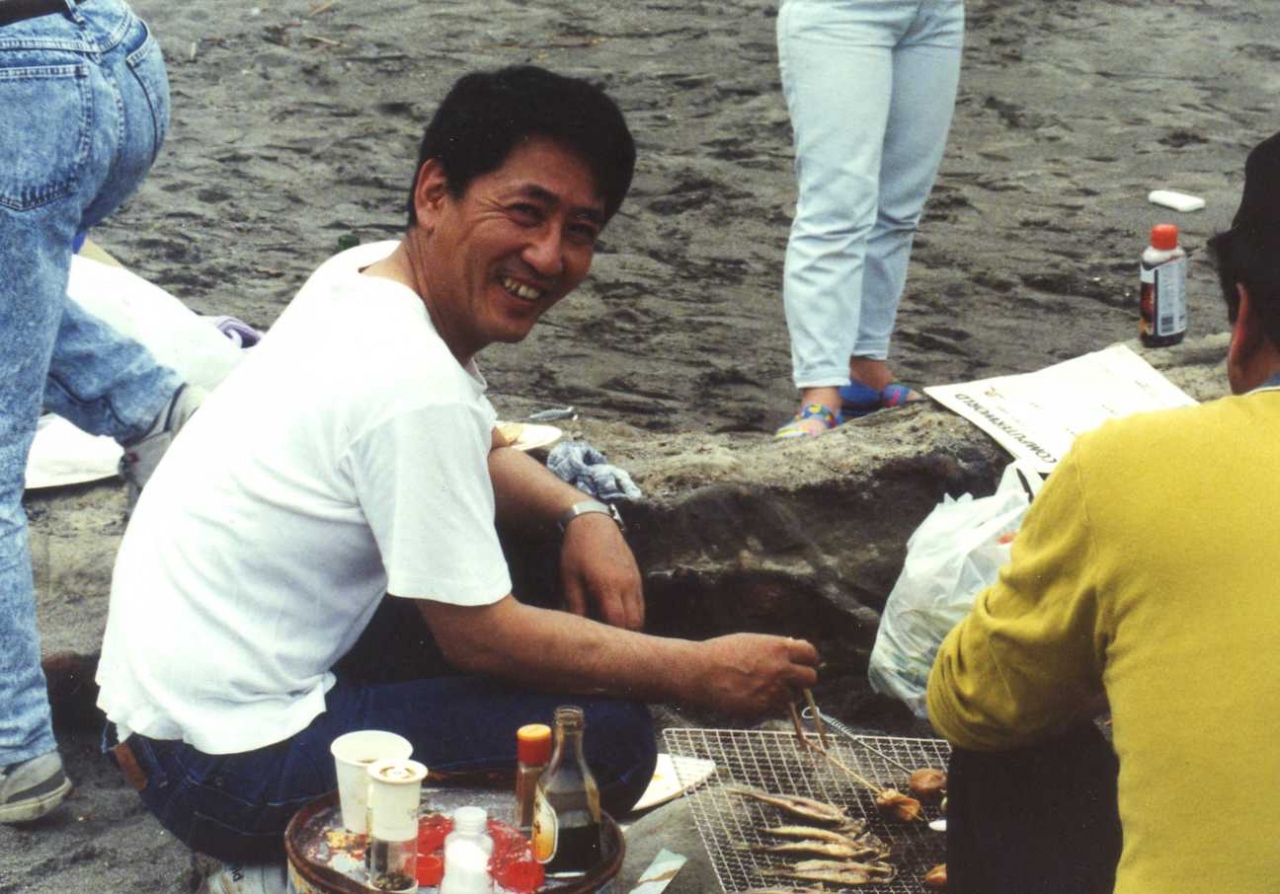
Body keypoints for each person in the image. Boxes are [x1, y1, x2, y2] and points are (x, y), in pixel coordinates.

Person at [96, 65, 820, 893]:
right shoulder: (411, 384)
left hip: (158, 714)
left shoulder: (365, 275)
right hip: (220, 770)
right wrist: (700, 672)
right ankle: (275, 867)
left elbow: (473, 442)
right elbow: (480, 633)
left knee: (535, 576)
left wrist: (581, 510)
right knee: (612, 740)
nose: (548, 256)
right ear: (434, 193)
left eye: (579, 229)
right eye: (525, 213)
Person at [927, 131, 1280, 894]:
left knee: (1010, 733)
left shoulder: (1126, 465)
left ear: (1243, 316)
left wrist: (1100, 637)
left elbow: (968, 701)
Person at [0, 0, 202, 825]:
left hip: (27, 87)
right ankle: (158, 412)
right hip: (118, 50)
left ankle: (15, 752)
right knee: (18, 299)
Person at [773, 0, 965, 438]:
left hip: (936, 13)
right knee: (836, 208)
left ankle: (865, 367)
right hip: (842, 13)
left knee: (897, 209)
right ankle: (820, 391)